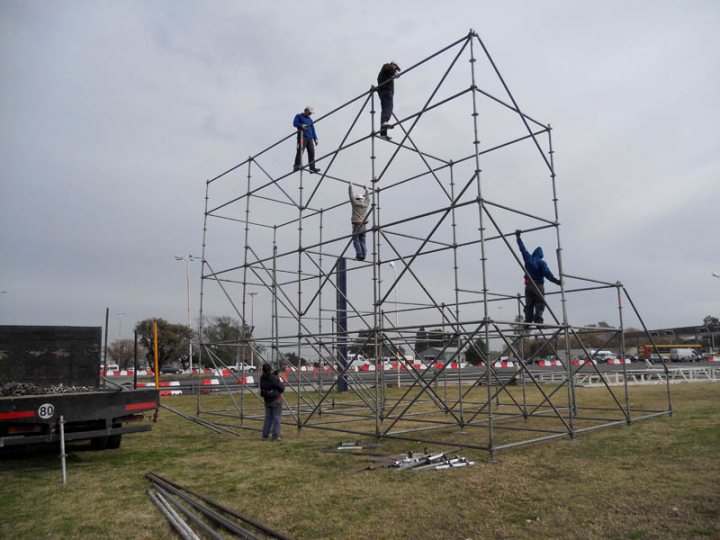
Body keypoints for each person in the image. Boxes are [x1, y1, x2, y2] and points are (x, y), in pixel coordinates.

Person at [515, 230, 561, 325]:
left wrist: (518, 237)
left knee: (529, 304)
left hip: (528, 285)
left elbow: (522, 248)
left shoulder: (527, 257)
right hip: (538, 285)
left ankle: (527, 321)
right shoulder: (541, 263)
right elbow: (547, 273)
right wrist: (556, 281)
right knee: (539, 302)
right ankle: (538, 321)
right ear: (541, 255)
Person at [259, 363, 285, 441]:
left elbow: (269, 377)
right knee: (276, 418)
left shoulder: (262, 378)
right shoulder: (274, 378)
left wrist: (274, 374)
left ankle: (265, 436)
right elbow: (281, 388)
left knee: (268, 418)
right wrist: (277, 378)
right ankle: (275, 436)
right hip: (276, 399)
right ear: (270, 369)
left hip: (267, 400)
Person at [376, 62, 401, 140]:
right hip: (387, 91)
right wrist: (394, 73)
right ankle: (384, 123)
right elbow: (389, 68)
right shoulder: (387, 66)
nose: (395, 70)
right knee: (388, 107)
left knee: (384, 110)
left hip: (383, 92)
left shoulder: (383, 74)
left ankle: (383, 134)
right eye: (395, 68)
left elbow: (380, 80)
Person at [293, 106, 320, 173]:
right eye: (309, 112)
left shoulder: (310, 120)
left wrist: (315, 138)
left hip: (309, 138)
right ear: (306, 110)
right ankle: (296, 165)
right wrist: (301, 125)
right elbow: (295, 123)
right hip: (302, 136)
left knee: (311, 152)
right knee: (300, 151)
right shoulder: (299, 116)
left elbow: (312, 129)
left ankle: (312, 167)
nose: (310, 114)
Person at [349, 184, 369, 260]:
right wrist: (366, 190)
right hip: (363, 226)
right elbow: (367, 198)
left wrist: (350, 186)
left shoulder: (355, 204)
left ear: (356, 199)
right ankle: (363, 255)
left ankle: (359, 254)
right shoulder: (365, 204)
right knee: (362, 241)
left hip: (357, 225)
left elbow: (351, 196)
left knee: (356, 240)